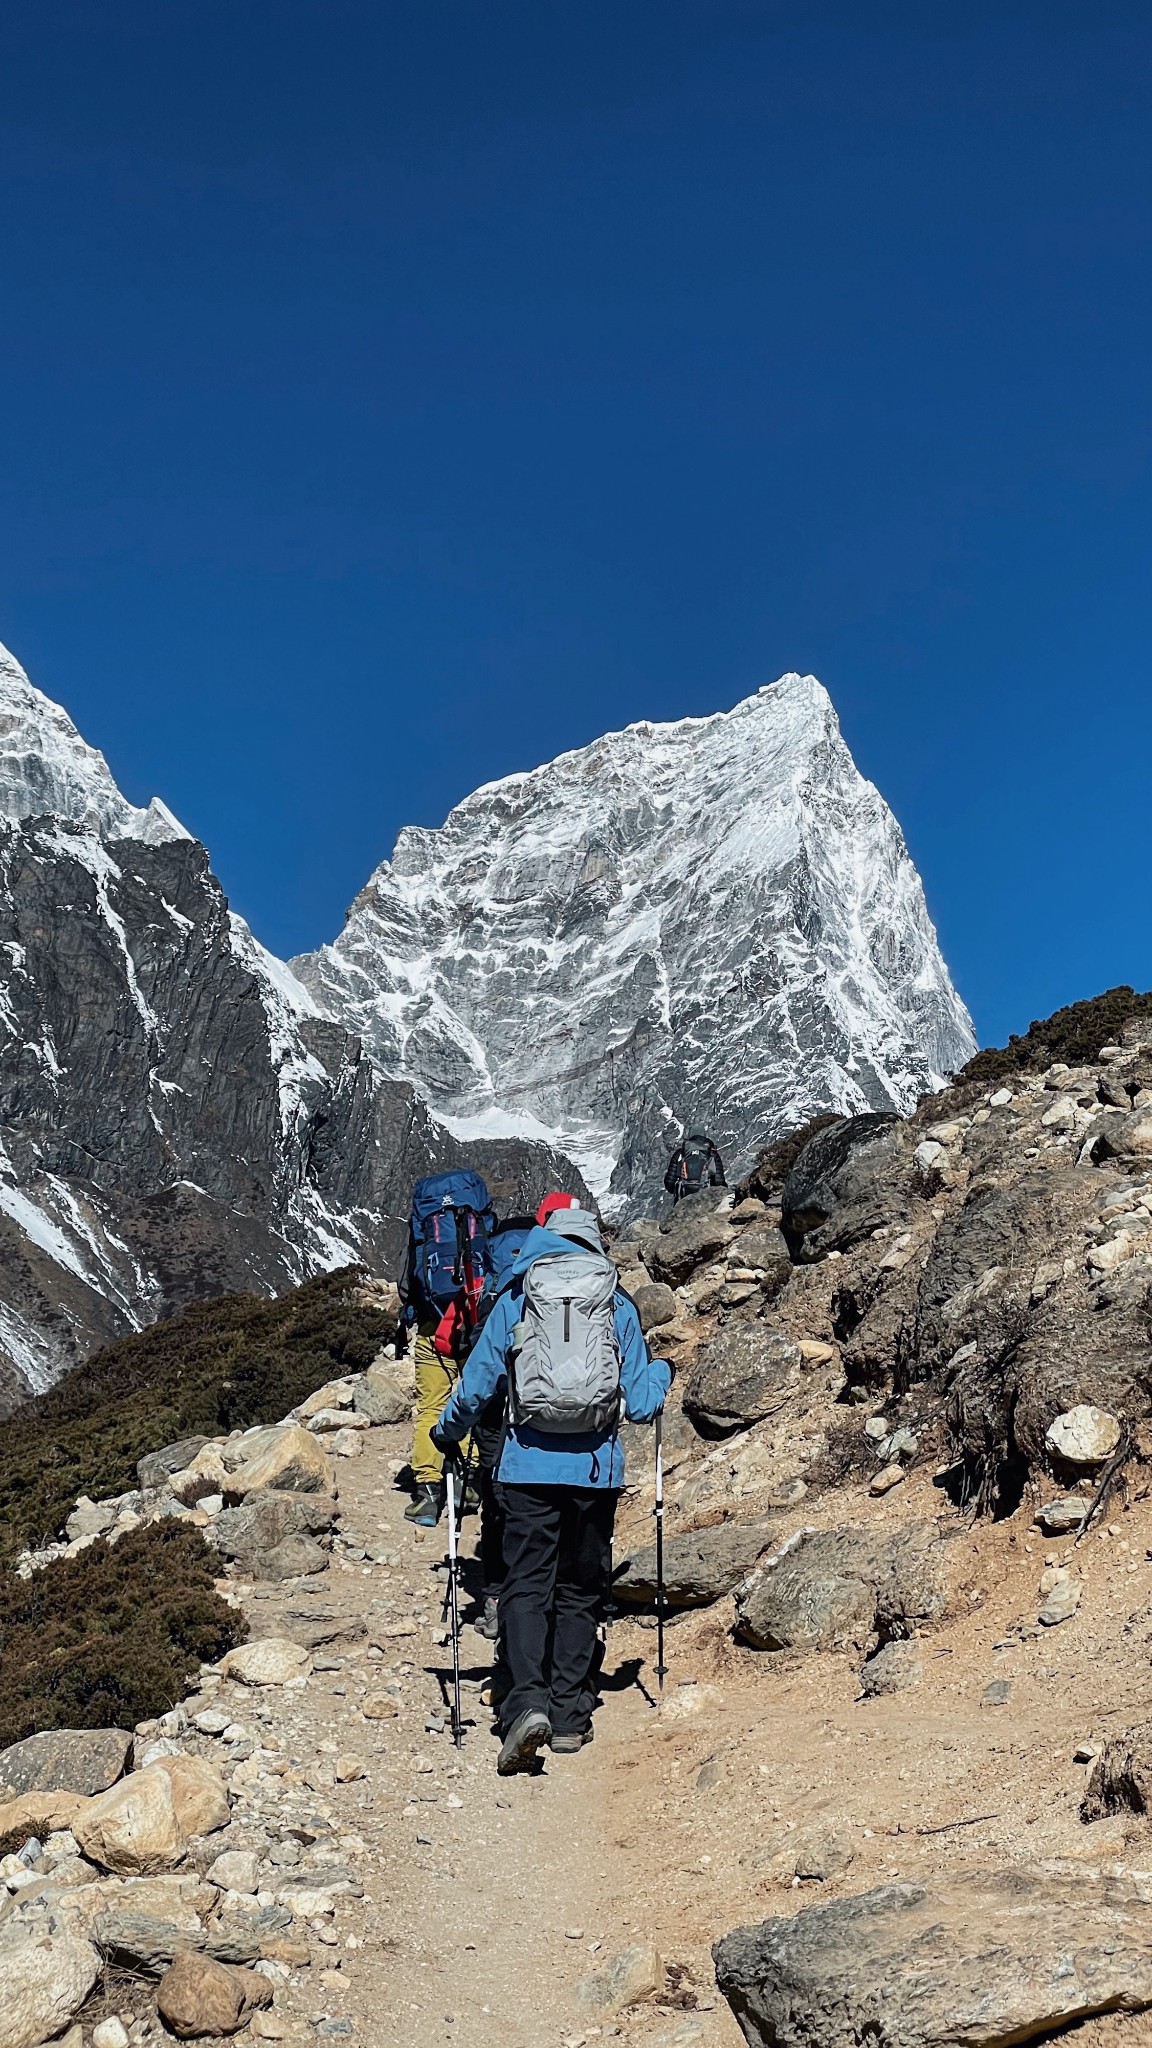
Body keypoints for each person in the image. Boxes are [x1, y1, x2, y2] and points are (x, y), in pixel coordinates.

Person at [431, 1205, 670, 1774]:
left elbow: (478, 1383)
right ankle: (569, 1717)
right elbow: (639, 1403)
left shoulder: (516, 1296)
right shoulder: (616, 1303)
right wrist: (662, 1373)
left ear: (541, 1243)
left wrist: (446, 1431)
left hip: (523, 1470)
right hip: (594, 1474)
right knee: (580, 1590)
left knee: (526, 1586)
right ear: (594, 1248)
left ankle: (524, 1706)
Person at [399, 1170, 494, 1527]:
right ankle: (469, 1485)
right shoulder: (478, 1211)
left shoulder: (425, 1216)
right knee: (475, 1400)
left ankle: (427, 1492)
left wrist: (410, 1313)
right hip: (473, 1322)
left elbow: (408, 1272)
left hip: (432, 1325)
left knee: (430, 1406)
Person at [664, 1131, 726, 1203]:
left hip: (682, 1199)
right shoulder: (712, 1154)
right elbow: (718, 1182)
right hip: (706, 1199)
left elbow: (669, 1184)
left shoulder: (680, 1153)